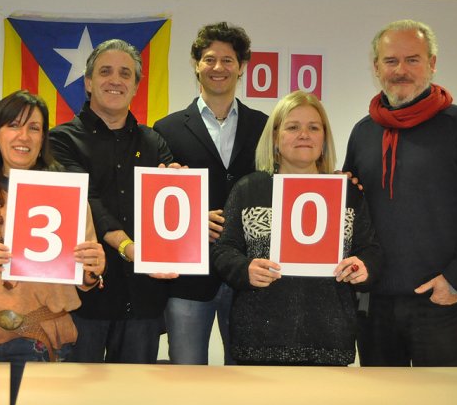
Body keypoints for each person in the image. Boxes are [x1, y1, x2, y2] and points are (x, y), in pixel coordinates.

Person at [343, 20, 457, 367]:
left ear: (432, 64)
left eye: (412, 60)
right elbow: (353, 213)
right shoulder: (363, 132)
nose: (400, 70)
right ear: (376, 68)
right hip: (373, 307)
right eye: (390, 61)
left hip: (440, 303)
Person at [212, 91, 382, 365]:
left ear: (324, 139)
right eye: (293, 127)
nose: (304, 134)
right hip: (258, 340)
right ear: (275, 138)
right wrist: (244, 270)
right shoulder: (249, 189)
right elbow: (223, 251)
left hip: (330, 340)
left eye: (313, 127)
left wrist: (363, 266)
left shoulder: (348, 193)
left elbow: (371, 250)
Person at [0, 90, 105, 363]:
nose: (23, 136)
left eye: (34, 128)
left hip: (42, 336)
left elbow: (85, 276)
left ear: (43, 140)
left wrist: (94, 269)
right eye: (13, 125)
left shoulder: (68, 195)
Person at [49, 39, 175, 363]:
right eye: (105, 72)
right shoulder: (60, 140)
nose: (115, 80)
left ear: (135, 87)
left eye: (125, 74)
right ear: (89, 82)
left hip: (143, 300)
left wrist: (181, 198)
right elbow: (85, 202)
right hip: (83, 299)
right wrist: (127, 247)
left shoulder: (154, 142)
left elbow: (167, 211)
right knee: (77, 400)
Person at [154, 22, 268, 365]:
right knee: (186, 375)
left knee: (246, 373)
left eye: (228, 60)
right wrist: (190, 220)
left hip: (247, 274)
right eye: (209, 59)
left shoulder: (263, 126)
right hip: (189, 277)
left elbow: (275, 190)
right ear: (196, 64)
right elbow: (159, 204)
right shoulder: (167, 128)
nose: (218, 68)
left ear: (242, 67)